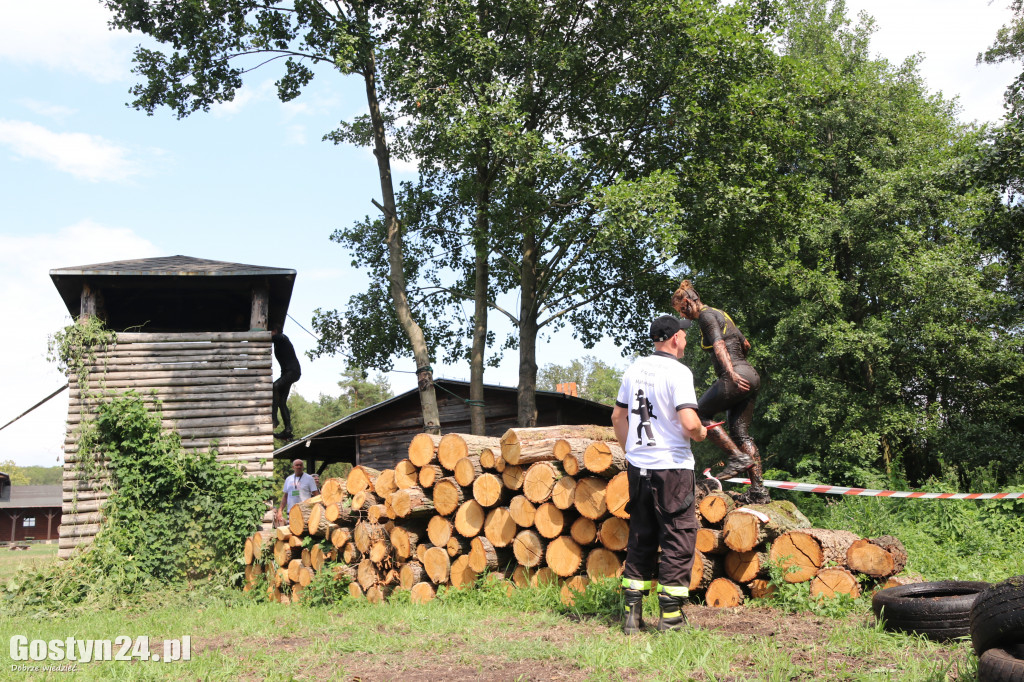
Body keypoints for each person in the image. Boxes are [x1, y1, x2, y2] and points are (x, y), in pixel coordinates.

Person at [611, 315, 707, 634]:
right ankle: (671, 619)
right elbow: (689, 422)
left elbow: (617, 416)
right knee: (678, 537)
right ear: (676, 338)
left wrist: (631, 451)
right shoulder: (678, 372)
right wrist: (701, 433)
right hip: (673, 467)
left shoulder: (634, 369)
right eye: (685, 336)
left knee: (641, 535)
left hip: (639, 467)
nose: (687, 340)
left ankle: (631, 616)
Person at [671, 280, 767, 498]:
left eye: (681, 310)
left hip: (735, 376)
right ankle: (759, 491)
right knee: (741, 434)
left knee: (699, 414)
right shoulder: (721, 313)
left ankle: (736, 457)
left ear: (687, 301)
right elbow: (745, 344)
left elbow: (719, 344)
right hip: (751, 376)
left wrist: (732, 373)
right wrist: (741, 367)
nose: (683, 316)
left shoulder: (705, 316)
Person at [272, 326, 301, 440]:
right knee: (281, 402)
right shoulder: (278, 343)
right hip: (287, 373)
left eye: (271, 331)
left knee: (275, 386)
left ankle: (274, 419)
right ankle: (287, 429)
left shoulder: (283, 338)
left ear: (275, 331)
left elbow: (278, 337)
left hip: (292, 371)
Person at [276, 459, 319, 525]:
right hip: (291, 511)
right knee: (292, 531)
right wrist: (280, 510)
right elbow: (285, 496)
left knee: (304, 531)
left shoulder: (309, 478)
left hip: (305, 511)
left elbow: (316, 494)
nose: (299, 467)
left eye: (300, 465)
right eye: (297, 465)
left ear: (303, 467)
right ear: (293, 467)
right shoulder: (288, 479)